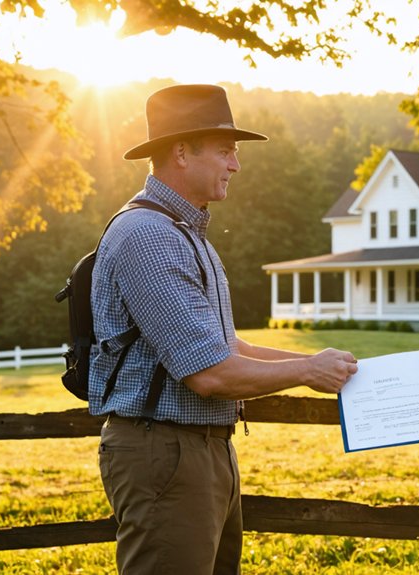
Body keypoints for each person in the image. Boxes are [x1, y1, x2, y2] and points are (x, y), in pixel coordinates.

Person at [88, 84, 358, 575]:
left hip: (200, 449)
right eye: (226, 150)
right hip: (166, 451)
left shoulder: (185, 234)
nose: (236, 165)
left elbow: (229, 347)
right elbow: (209, 373)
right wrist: (307, 371)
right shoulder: (148, 236)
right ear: (181, 152)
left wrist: (326, 364)